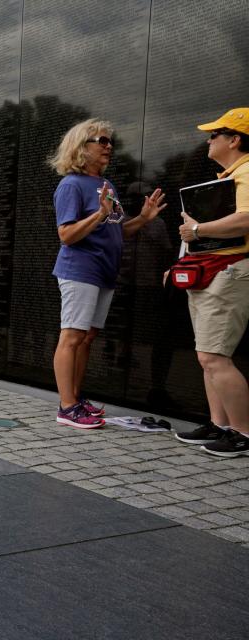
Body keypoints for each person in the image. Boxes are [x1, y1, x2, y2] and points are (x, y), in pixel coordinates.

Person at [48, 119, 166, 429]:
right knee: (72, 337)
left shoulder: (107, 185)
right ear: (80, 148)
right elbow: (66, 235)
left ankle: (75, 397)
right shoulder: (70, 185)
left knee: (87, 338)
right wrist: (99, 214)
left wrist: (142, 219)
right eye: (100, 140)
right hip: (80, 269)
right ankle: (67, 406)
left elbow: (115, 231)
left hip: (104, 273)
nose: (108, 146)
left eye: (109, 141)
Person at [173, 108, 249, 457]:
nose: (208, 139)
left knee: (214, 357)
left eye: (215, 134)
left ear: (235, 139)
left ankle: (243, 433)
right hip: (211, 271)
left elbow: (246, 219)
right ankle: (219, 425)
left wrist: (199, 230)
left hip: (229, 273)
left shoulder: (247, 171)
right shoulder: (228, 176)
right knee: (208, 356)